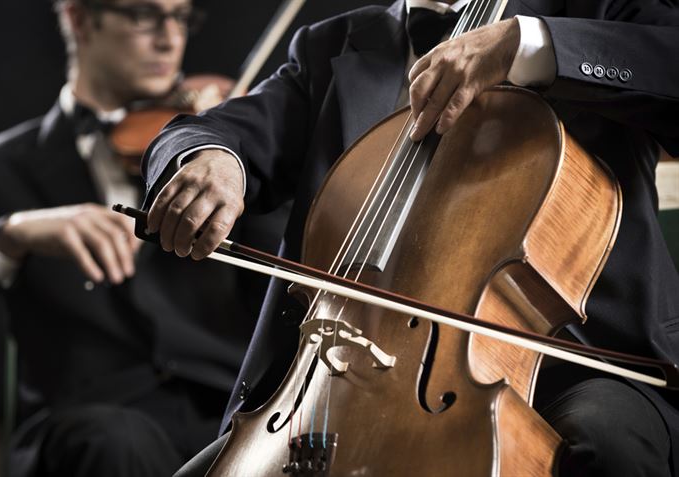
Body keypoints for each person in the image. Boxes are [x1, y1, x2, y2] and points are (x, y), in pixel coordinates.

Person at [141, 0, 679, 475]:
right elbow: (216, 129)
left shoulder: (598, 7)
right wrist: (211, 158)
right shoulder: (332, 45)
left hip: (578, 361)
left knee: (609, 449)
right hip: (331, 382)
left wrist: (532, 43)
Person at [0, 0, 275, 475]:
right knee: (116, 441)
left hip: (224, 415)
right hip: (93, 429)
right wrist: (13, 234)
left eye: (179, 17)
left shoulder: (213, 149)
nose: (169, 38)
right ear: (79, 19)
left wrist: (234, 155)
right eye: (144, 14)